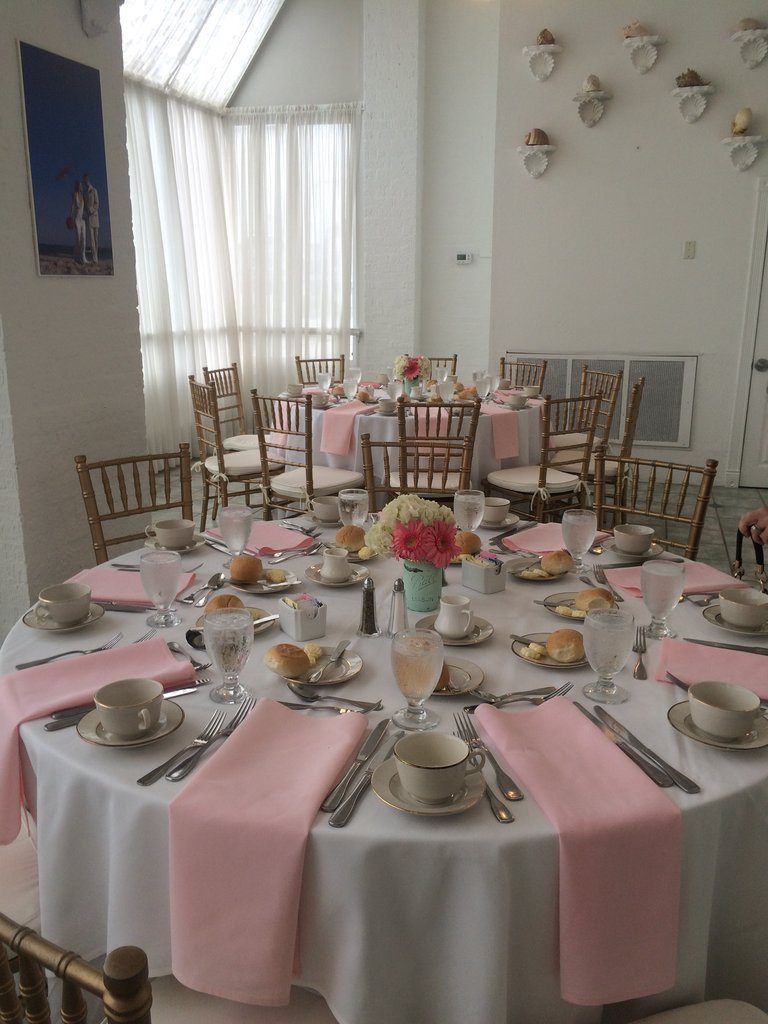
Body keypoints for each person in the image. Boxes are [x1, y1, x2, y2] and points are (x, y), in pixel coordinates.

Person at [82, 172, 99, 265]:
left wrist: (91, 210)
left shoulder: (94, 190)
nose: (85, 182)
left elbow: (97, 204)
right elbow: (84, 206)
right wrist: (85, 212)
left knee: (96, 239)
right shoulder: (85, 193)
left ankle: (96, 256)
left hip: (95, 217)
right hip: (88, 218)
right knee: (91, 239)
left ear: (88, 180)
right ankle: (94, 258)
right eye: (84, 180)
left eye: (86, 180)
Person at [69, 181, 87, 265]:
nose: (80, 187)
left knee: (84, 238)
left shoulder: (83, 196)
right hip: (76, 219)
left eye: (81, 185)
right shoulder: (74, 194)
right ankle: (77, 257)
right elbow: (72, 207)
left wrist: (85, 215)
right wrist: (71, 218)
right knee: (78, 238)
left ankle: (83, 257)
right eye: (79, 185)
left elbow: (83, 209)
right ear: (77, 186)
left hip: (82, 219)